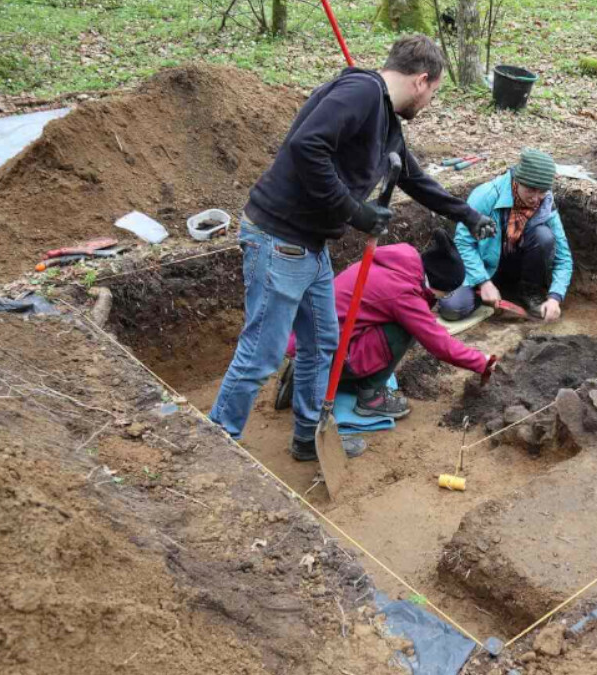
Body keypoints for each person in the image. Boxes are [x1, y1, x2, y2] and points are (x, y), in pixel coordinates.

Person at [209, 34, 495, 463]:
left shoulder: (387, 122)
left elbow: (415, 180)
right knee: (261, 354)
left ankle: (308, 438)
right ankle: (214, 443)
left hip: (311, 246)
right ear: (422, 80)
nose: (430, 102)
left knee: (323, 344)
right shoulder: (361, 92)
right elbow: (306, 146)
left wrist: (466, 215)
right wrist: (354, 210)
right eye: (434, 93)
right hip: (278, 237)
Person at [282, 231, 494, 435]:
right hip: (327, 352)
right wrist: (481, 362)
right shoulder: (402, 292)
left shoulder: (401, 262)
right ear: (438, 283)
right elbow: (438, 343)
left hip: (307, 339)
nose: (441, 300)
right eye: (444, 294)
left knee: (402, 323)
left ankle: (309, 374)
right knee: (406, 329)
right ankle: (370, 398)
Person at [438, 148, 574, 323]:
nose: (536, 198)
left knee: (544, 237)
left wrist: (555, 297)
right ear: (517, 180)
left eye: (542, 191)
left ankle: (528, 290)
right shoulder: (486, 196)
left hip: (519, 265)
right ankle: (488, 289)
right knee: (452, 309)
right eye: (531, 190)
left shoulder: (546, 204)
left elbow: (564, 256)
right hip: (485, 266)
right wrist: (483, 282)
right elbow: (464, 242)